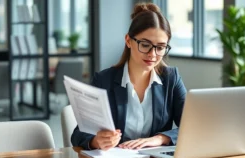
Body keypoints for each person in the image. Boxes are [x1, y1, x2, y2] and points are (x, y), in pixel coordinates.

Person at [71, 2, 186, 150]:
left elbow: (192, 126)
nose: (153, 54)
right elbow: (78, 134)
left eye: (160, 47)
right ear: (128, 41)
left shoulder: (171, 79)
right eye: (145, 45)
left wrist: (160, 138)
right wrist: (96, 141)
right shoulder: (103, 81)